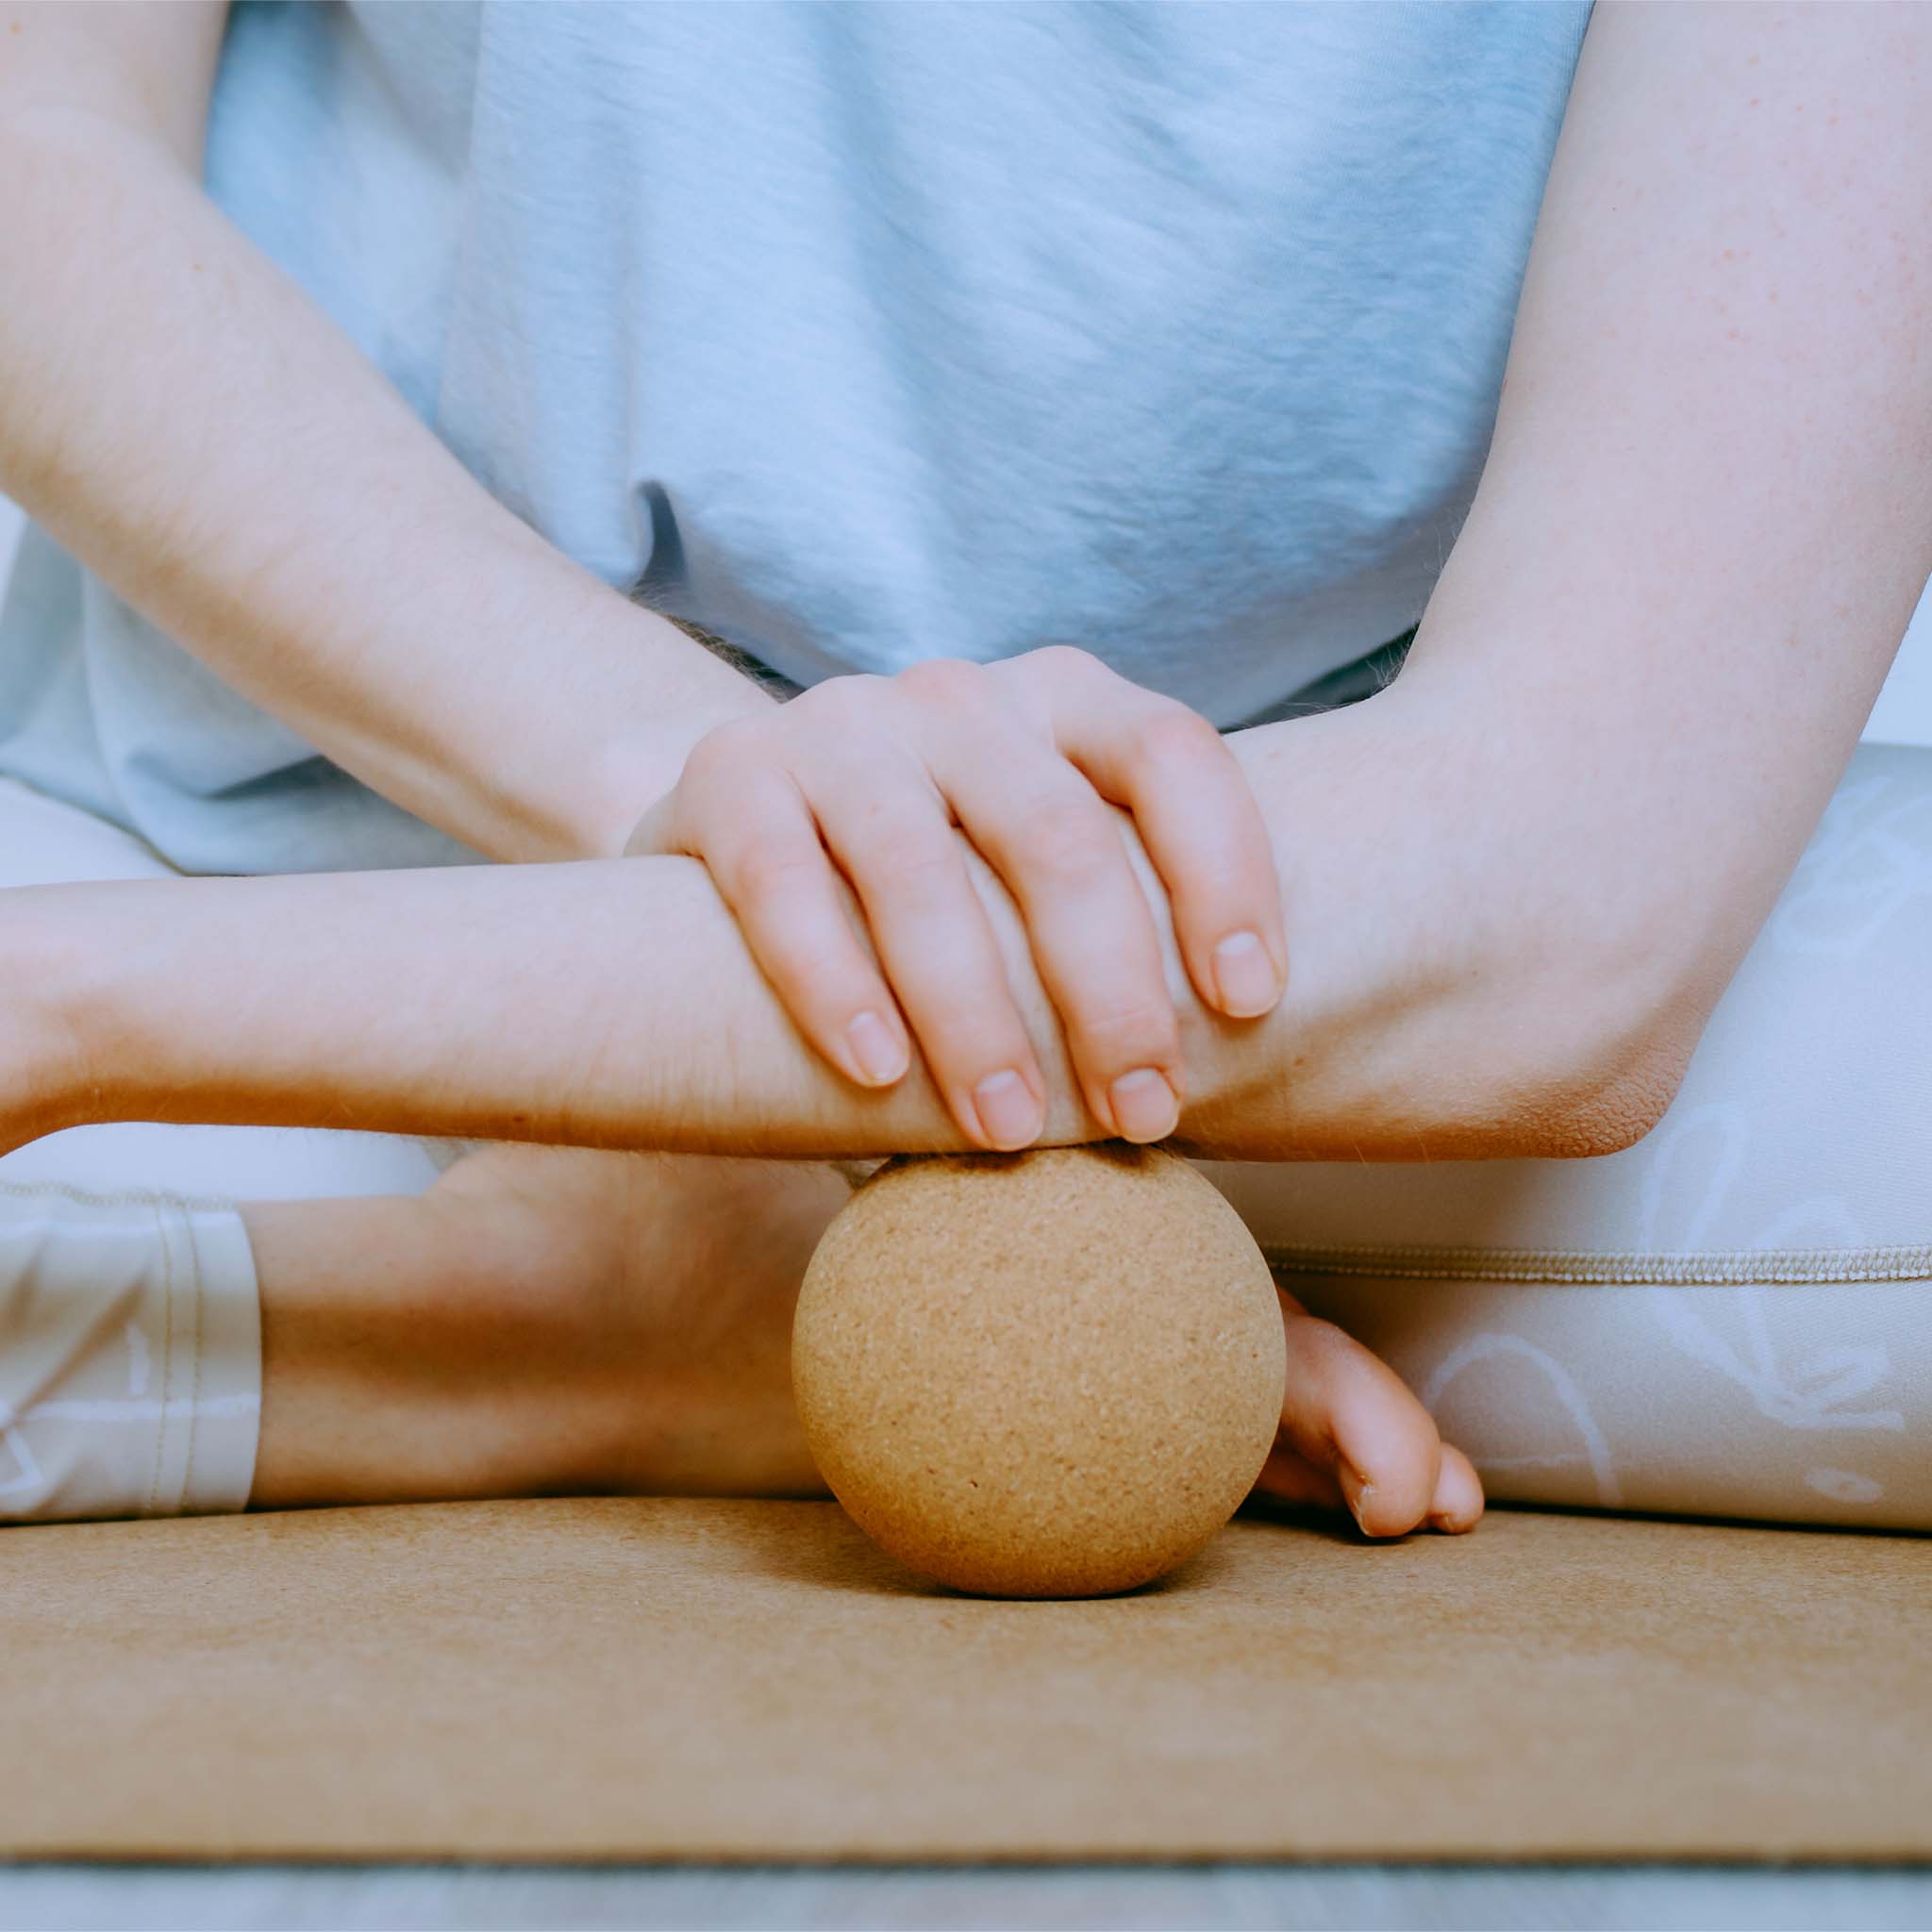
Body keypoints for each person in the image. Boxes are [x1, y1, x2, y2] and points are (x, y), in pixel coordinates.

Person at [0, 2, 1926, 1532]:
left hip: (1323, 1008)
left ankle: (580, 1302)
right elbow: (38, 128)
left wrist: (73, 995)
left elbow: (1558, 896)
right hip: (331, 825)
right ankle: (566, 1307)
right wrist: (688, 777)